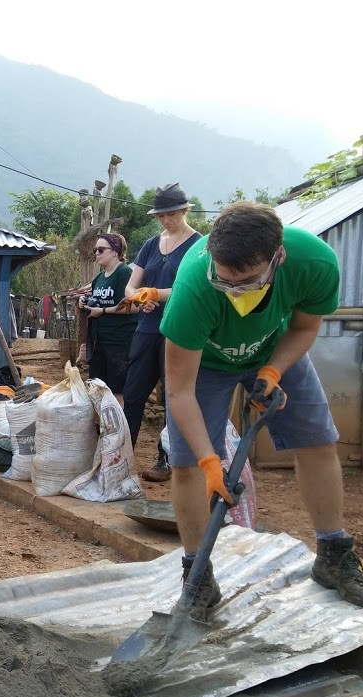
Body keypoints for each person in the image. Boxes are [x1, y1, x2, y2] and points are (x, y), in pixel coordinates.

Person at [161, 200, 363, 617]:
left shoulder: (314, 262)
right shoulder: (194, 288)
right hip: (204, 364)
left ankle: (333, 556)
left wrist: (273, 369)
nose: (231, 292)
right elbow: (179, 393)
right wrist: (211, 461)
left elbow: (305, 326)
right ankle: (198, 579)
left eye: (244, 283)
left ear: (276, 258)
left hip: (275, 348)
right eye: (223, 282)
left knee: (318, 439)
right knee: (187, 464)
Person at [122, 183, 202, 482]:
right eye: (161, 216)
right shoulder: (150, 245)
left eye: (170, 214)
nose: (165, 220)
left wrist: (155, 293)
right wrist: (139, 297)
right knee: (133, 394)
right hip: (146, 328)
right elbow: (131, 285)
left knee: (174, 396)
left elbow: (191, 288)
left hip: (180, 331)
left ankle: (167, 459)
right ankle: (123, 456)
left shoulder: (199, 245)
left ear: (184, 211)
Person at [78, 233, 139, 406]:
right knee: (97, 388)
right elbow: (96, 301)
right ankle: (102, 428)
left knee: (117, 391)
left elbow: (134, 306)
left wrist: (102, 310)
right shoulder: (99, 278)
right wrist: (85, 302)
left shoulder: (124, 273)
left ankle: (118, 430)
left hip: (119, 343)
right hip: (99, 342)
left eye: (101, 249)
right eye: (95, 249)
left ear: (115, 252)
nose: (97, 253)